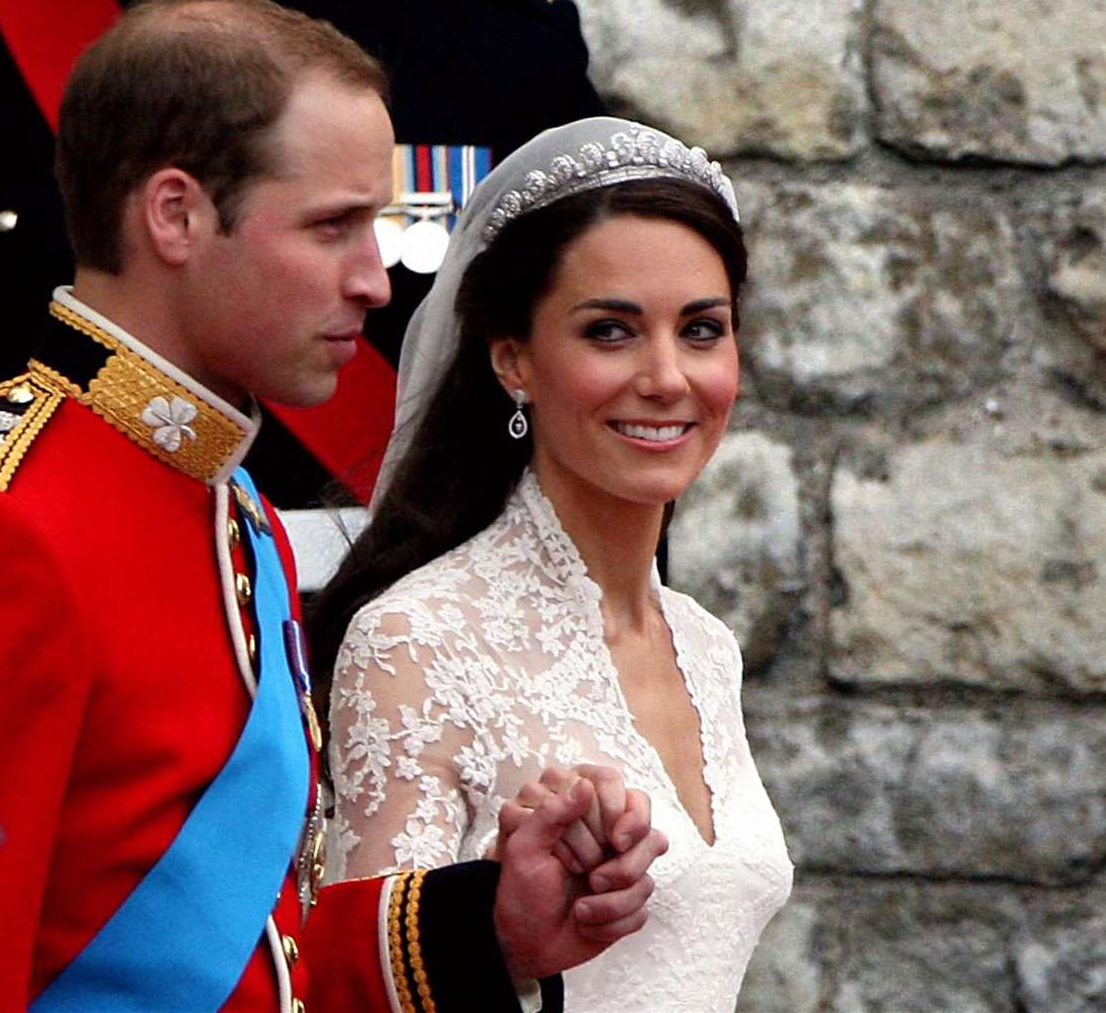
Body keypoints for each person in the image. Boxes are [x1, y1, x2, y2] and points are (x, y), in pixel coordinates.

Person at [0, 0, 665, 1012]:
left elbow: (256, 953)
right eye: (335, 227)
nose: (376, 281)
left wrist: (494, 924)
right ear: (177, 215)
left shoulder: (228, 506)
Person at [310, 116, 795, 1011]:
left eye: (701, 330)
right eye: (610, 332)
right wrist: (505, 934)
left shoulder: (706, 645)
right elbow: (357, 991)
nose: (666, 377)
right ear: (513, 360)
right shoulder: (415, 641)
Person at [0, 0, 603, 507]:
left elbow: (598, 362)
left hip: (418, 590)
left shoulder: (490, 27)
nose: (371, 282)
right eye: (333, 225)